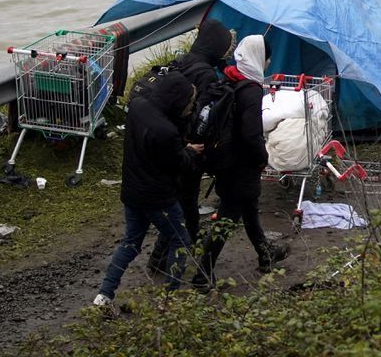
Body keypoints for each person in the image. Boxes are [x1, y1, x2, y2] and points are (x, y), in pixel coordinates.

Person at [93, 62, 202, 306]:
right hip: (158, 197)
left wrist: (180, 149)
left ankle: (104, 295)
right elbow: (178, 163)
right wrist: (190, 152)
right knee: (180, 240)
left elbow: (152, 150)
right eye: (189, 102)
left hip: (132, 192)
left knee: (131, 243)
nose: (191, 108)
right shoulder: (166, 131)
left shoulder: (137, 107)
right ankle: (169, 298)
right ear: (177, 100)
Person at [192, 34, 288, 289]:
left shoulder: (231, 79)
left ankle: (266, 254)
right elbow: (251, 134)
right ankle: (202, 274)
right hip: (241, 164)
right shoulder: (251, 91)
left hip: (225, 159)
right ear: (258, 58)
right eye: (266, 57)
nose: (267, 62)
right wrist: (262, 159)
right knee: (228, 217)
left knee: (249, 207)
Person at [146, 20, 234, 275]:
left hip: (170, 140)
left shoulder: (186, 60)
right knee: (185, 205)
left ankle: (180, 251)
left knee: (182, 203)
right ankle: (162, 262)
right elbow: (203, 114)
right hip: (188, 145)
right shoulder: (204, 73)